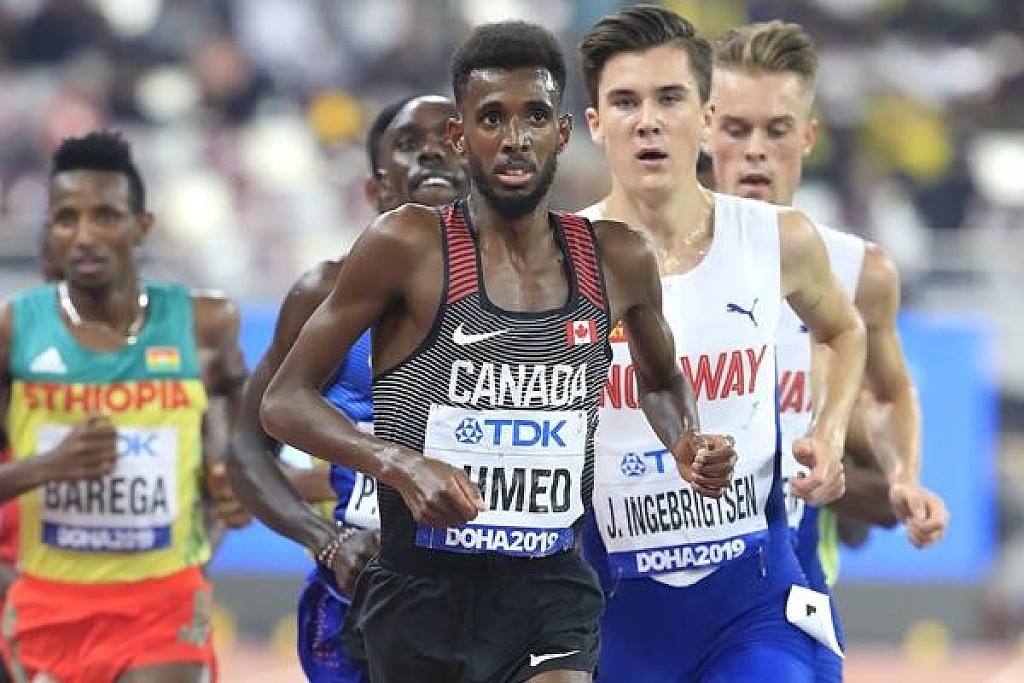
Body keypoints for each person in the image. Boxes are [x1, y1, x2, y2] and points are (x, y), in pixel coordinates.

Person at [260, 20, 736, 683]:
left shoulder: (618, 258)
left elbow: (660, 381)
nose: (515, 138)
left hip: (549, 586)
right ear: (461, 137)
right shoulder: (408, 246)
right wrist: (400, 464)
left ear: (561, 133)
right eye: (492, 118)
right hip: (422, 591)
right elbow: (283, 400)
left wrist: (685, 439)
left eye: (534, 116)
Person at [576, 6, 867, 680]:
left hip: (752, 602)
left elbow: (842, 329)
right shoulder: (560, 261)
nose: (647, 121)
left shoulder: (776, 238)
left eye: (669, 98)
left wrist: (827, 433)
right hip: (611, 611)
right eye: (625, 101)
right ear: (594, 124)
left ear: (705, 118)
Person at [706, 20, 951, 680]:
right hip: (655, 583)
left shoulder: (857, 272)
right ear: (703, 129)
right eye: (736, 129)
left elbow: (889, 392)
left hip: (788, 587)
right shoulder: (642, 266)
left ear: (808, 137)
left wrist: (901, 478)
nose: (756, 151)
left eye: (777, 130)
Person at [228, 93, 470, 682]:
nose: (431, 151)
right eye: (409, 144)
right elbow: (246, 447)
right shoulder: (325, 295)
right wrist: (327, 541)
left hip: (493, 599)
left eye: (450, 137)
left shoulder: (541, 295)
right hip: (366, 604)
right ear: (377, 188)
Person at [0, 130, 250, 683]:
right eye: (66, 219)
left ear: (142, 226)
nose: (85, 236)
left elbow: (245, 441)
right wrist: (49, 466)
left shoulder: (205, 325)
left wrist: (234, 486)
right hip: (50, 604)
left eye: (106, 216)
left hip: (164, 603)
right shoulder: (14, 330)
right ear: (49, 231)